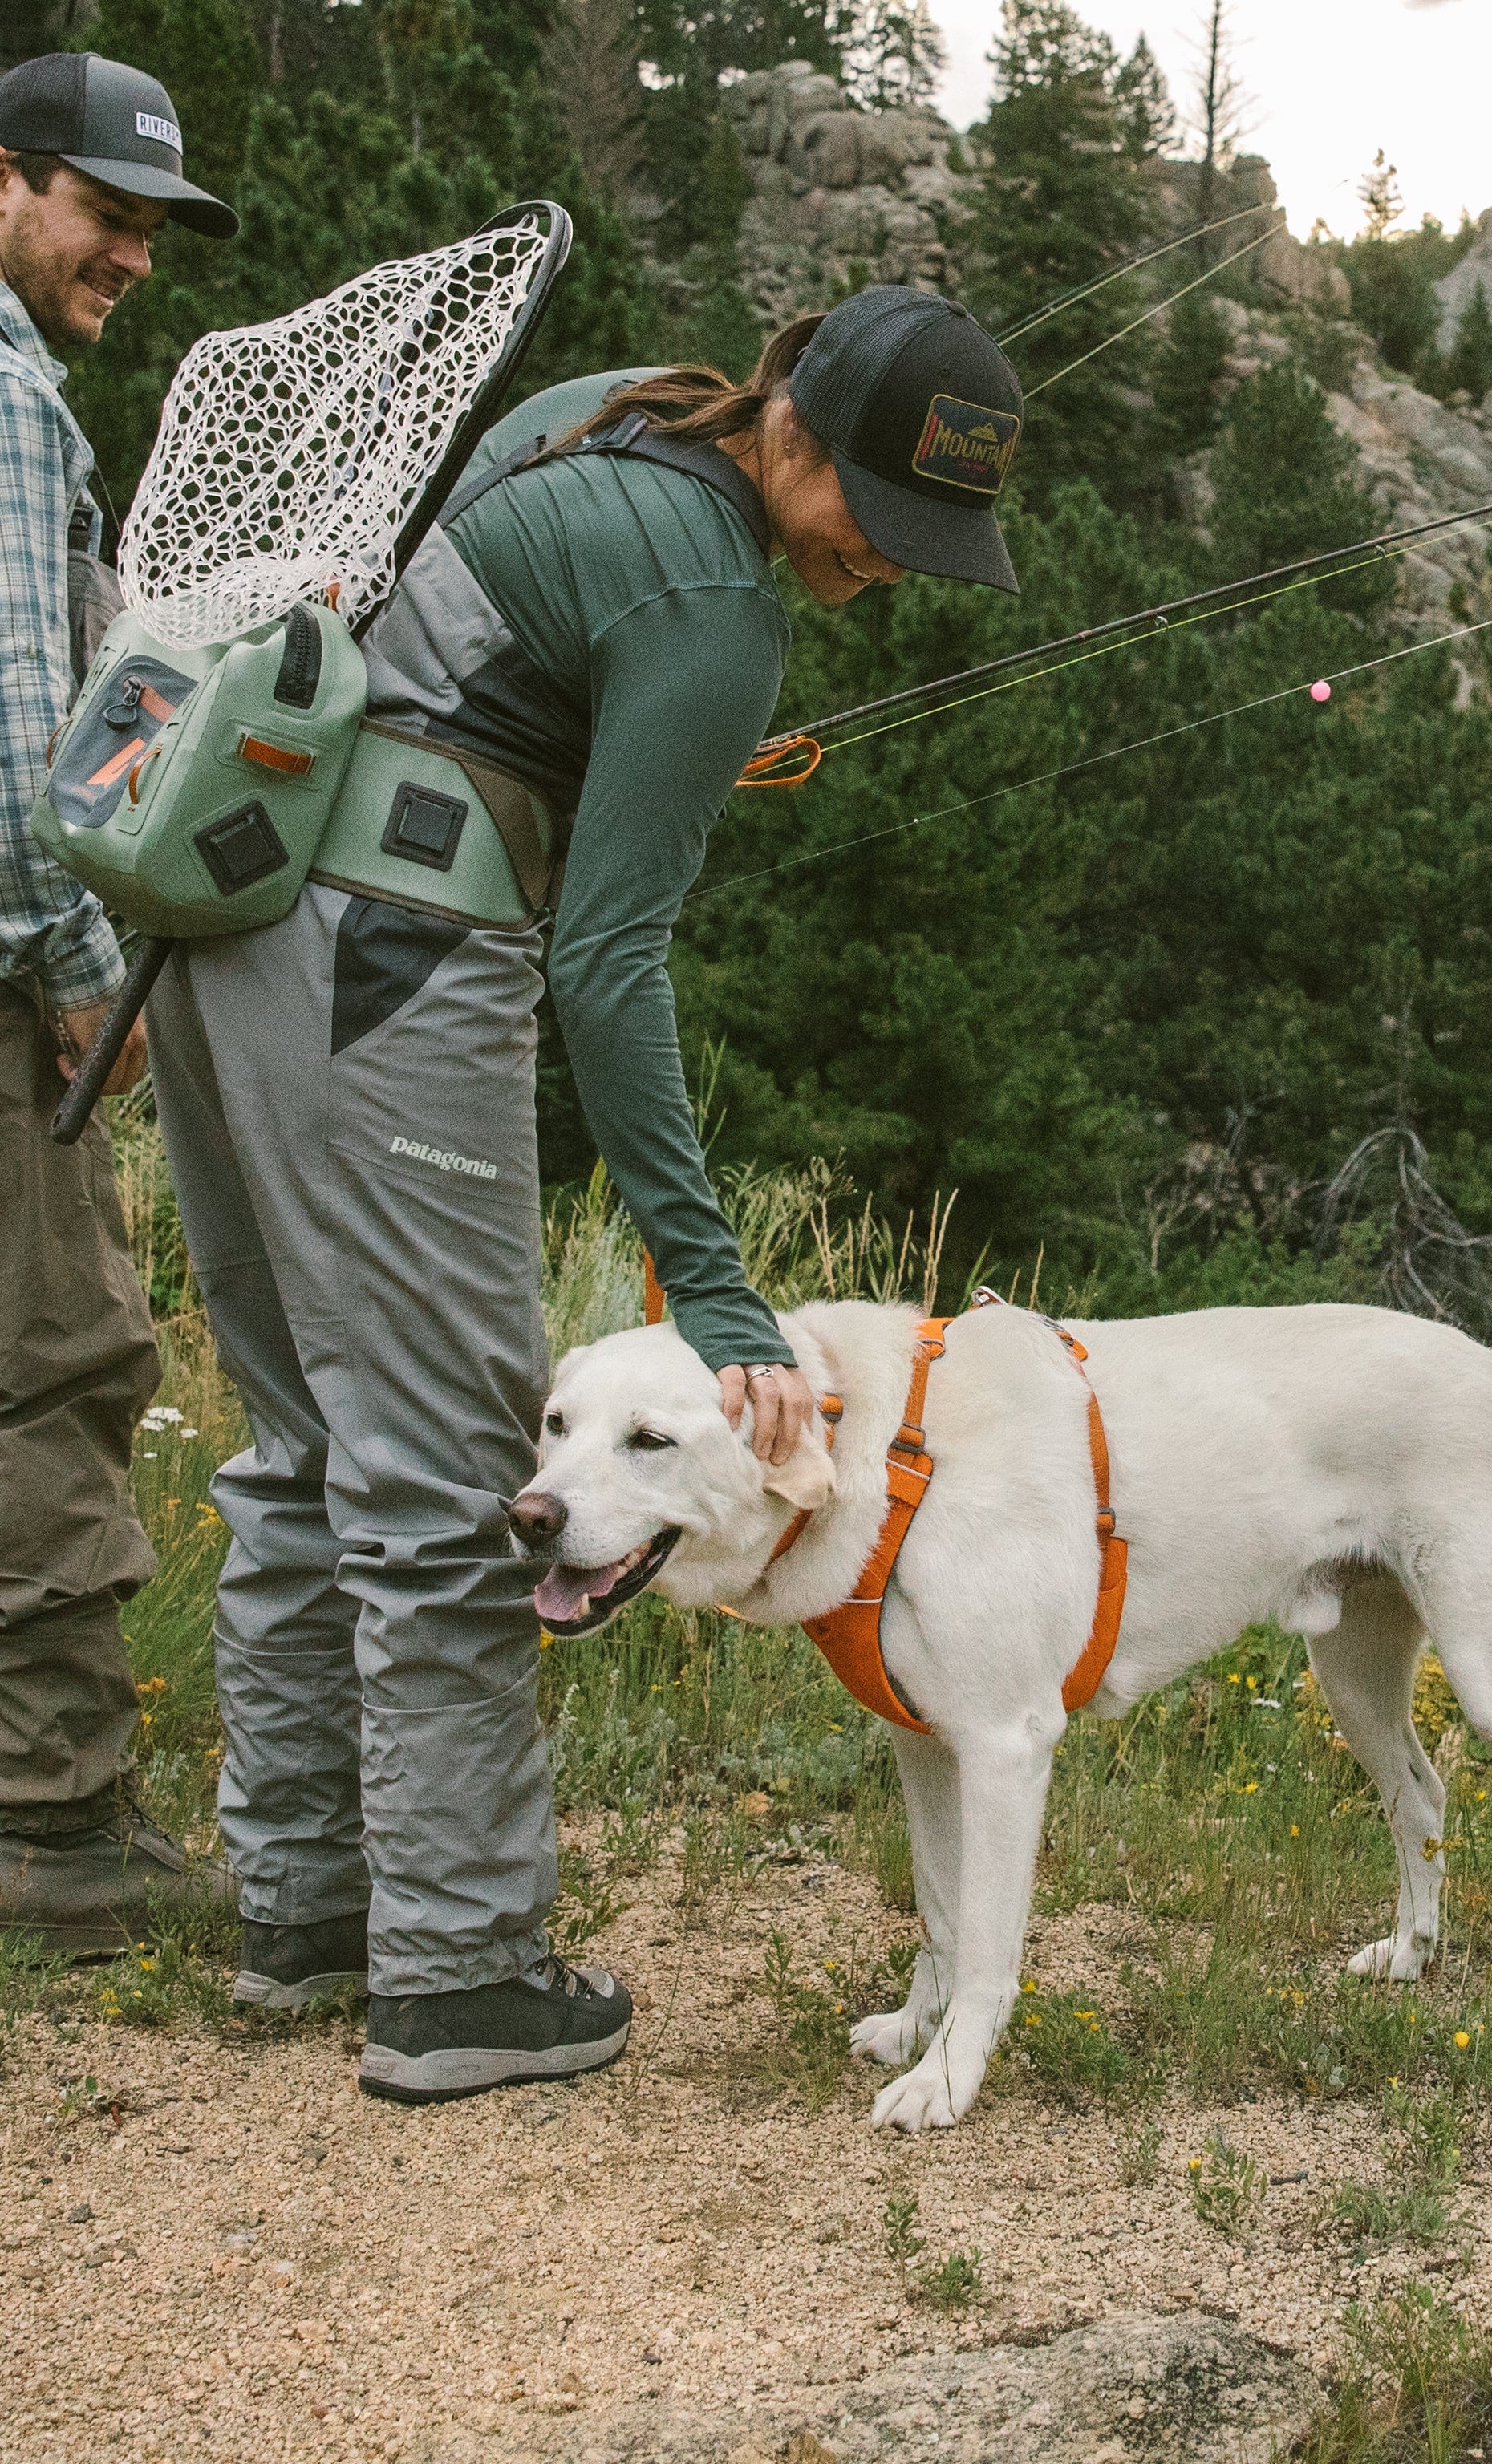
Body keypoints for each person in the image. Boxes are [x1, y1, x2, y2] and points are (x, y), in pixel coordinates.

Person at [143, 283, 1025, 2102]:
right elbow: (609, 969)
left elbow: (478, 660)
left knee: (304, 1437)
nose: (894, 562)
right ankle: (458, 1972)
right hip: (393, 958)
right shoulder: (713, 611)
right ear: (795, 427)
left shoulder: (608, 409)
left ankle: (308, 1912)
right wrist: (714, 1299)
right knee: (476, 1470)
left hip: (229, 922)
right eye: (881, 510)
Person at [0, 54, 237, 1951]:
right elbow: (18, 753)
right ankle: (52, 1829)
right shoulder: (7, 404)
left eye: (152, 228)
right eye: (102, 212)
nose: (131, 255)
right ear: (6, 183)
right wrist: (86, 980)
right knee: (59, 1370)